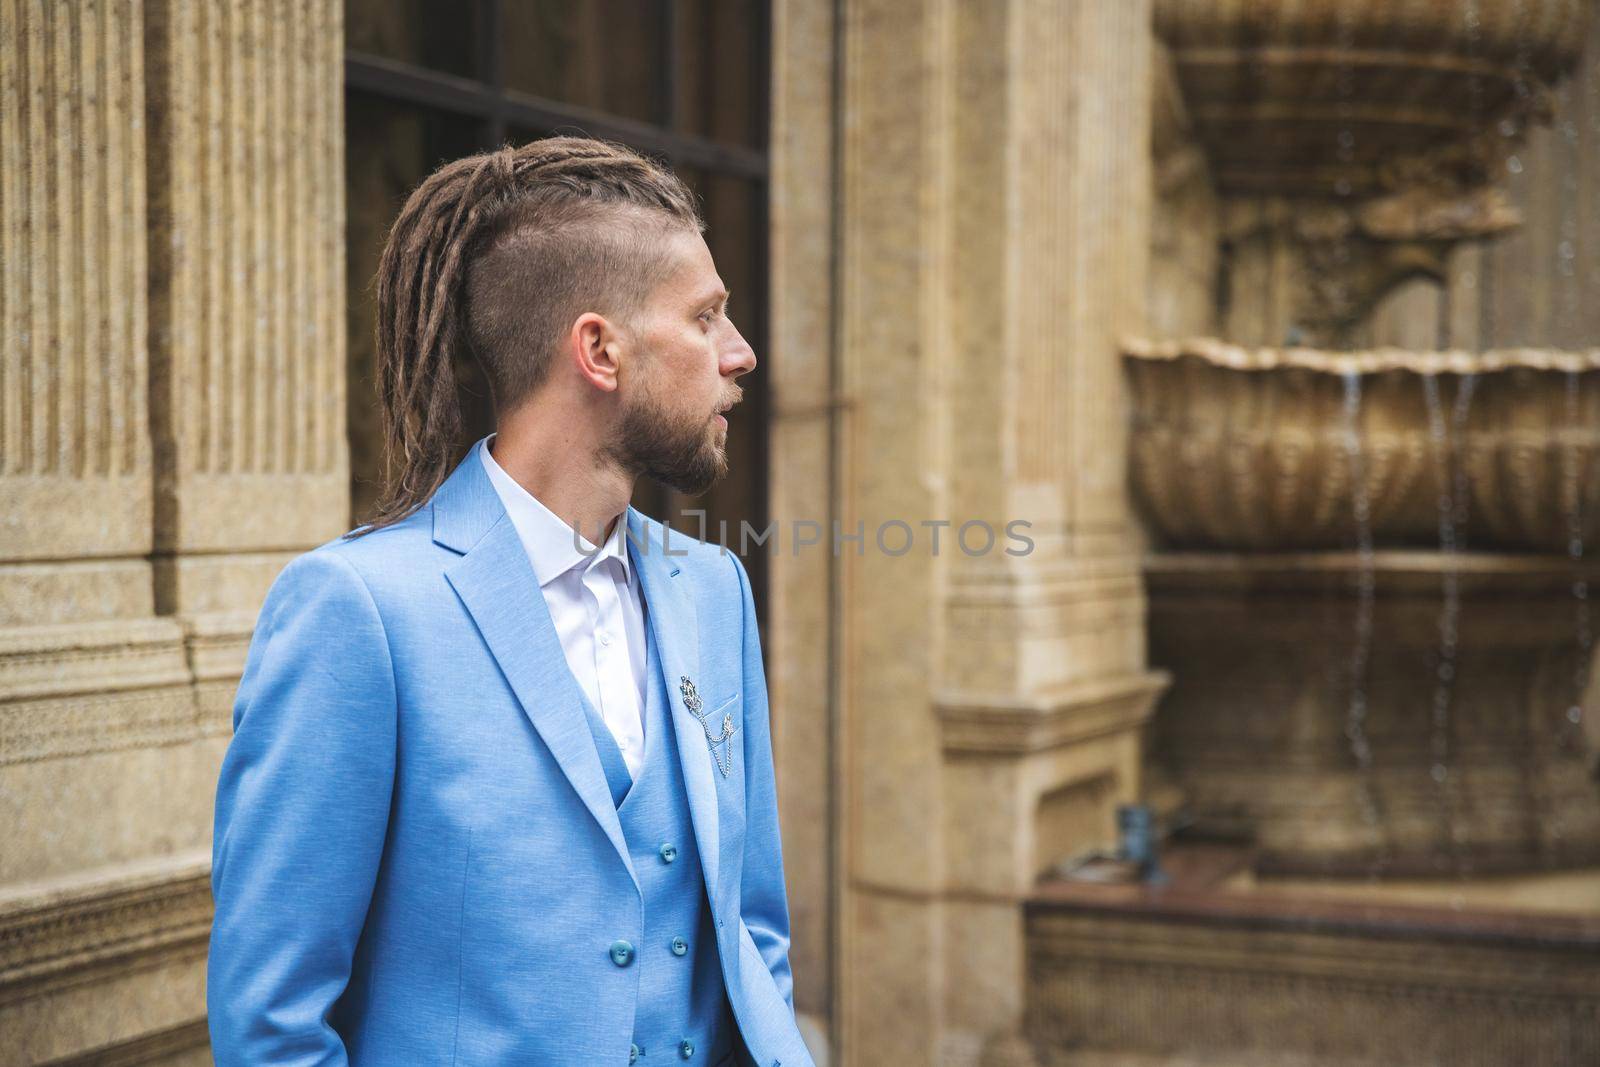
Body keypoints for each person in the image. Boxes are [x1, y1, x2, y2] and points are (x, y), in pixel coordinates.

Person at [207, 135, 811, 1067]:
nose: (741, 353)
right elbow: (270, 1025)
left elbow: (750, 931)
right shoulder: (358, 610)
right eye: (705, 318)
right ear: (599, 350)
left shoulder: (714, 589)